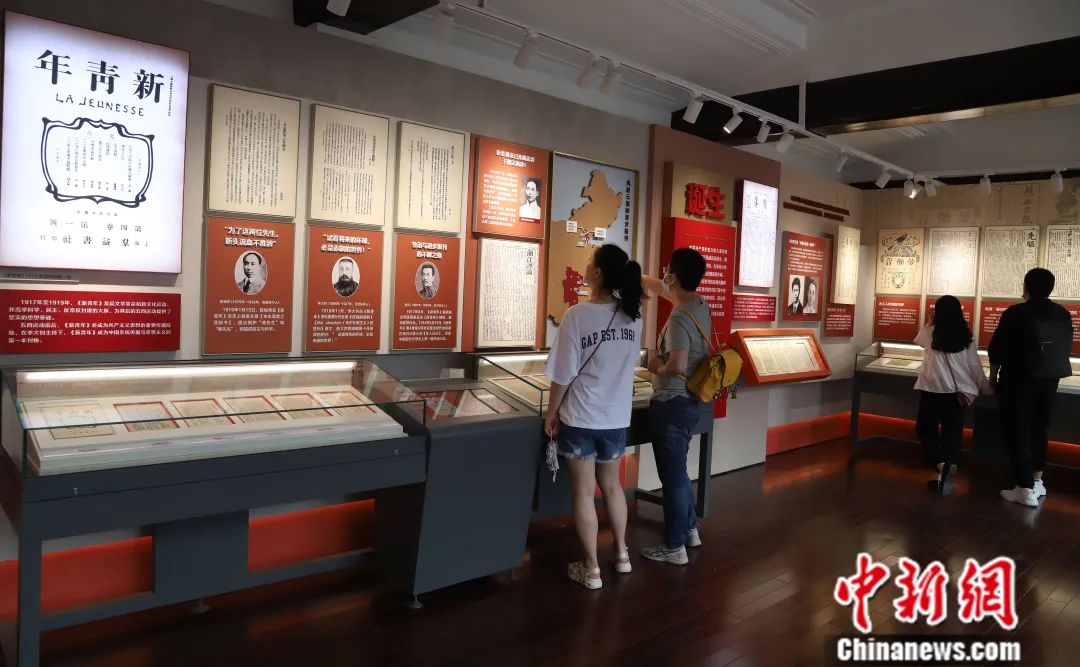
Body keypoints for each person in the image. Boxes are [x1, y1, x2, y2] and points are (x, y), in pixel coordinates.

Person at [544, 243, 645, 590]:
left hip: (581, 419)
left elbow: (563, 374)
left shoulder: (577, 316)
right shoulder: (633, 317)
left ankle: (591, 569)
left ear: (598, 273)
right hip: (616, 419)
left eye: (590, 261)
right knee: (613, 487)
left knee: (584, 492)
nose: (586, 265)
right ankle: (622, 555)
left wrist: (551, 413)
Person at [638, 248, 710, 565]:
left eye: (667, 269)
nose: (664, 274)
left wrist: (656, 365)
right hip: (689, 401)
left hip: (672, 402)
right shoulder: (697, 304)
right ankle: (689, 530)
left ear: (675, 276)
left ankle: (674, 546)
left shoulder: (680, 317)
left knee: (672, 477)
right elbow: (660, 287)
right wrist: (635, 274)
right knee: (678, 471)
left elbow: (677, 363)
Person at [989, 268, 1074, 507]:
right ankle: (1037, 480)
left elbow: (998, 348)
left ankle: (1024, 487)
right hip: (1049, 379)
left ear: (1026, 286)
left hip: (1018, 380)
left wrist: (993, 377)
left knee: (1018, 430)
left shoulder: (1015, 313)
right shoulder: (1062, 314)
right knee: (1040, 427)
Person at [913, 295, 993, 492]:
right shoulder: (966, 335)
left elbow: (919, 341)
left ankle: (939, 464)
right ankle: (950, 463)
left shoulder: (931, 332)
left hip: (931, 389)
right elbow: (974, 367)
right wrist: (987, 388)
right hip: (955, 393)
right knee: (953, 431)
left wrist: (930, 322)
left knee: (925, 428)